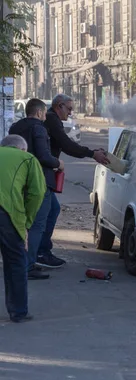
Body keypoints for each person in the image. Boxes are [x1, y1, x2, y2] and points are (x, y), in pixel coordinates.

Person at [39, 94, 109, 268]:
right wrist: (92, 154)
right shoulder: (52, 119)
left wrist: (91, 151)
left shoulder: (53, 119)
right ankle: (40, 252)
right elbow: (67, 145)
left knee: (50, 211)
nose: (70, 113)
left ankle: (41, 250)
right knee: (48, 212)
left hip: (43, 172)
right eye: (69, 109)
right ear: (59, 106)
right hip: (42, 173)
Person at [9, 98, 65, 280]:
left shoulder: (15, 127)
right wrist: (58, 163)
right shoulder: (39, 128)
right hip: (39, 181)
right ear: (41, 113)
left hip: (19, 179)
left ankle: (27, 258)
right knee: (36, 224)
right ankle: (28, 265)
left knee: (48, 212)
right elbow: (43, 155)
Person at [0, 135, 46, 322]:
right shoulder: (28, 159)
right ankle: (18, 311)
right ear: (22, 149)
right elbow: (37, 192)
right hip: (8, 215)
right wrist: (26, 222)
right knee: (15, 263)